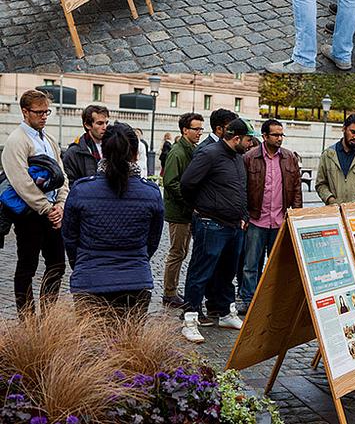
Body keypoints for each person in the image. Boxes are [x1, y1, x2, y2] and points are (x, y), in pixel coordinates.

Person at [61, 123, 163, 317]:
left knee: (92, 344)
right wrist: (137, 258)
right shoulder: (150, 193)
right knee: (129, 345)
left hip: (90, 278)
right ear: (136, 153)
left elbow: (69, 237)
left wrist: (82, 262)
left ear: (103, 151)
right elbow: (152, 241)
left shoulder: (82, 190)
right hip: (135, 279)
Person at [179, 118, 255, 343]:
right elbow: (187, 184)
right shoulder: (209, 154)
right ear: (237, 138)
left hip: (234, 225)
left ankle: (224, 312)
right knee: (200, 271)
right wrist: (201, 207)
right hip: (210, 223)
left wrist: (243, 215)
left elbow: (240, 189)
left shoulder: (238, 158)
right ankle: (189, 318)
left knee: (227, 272)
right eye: (249, 140)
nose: (251, 144)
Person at [1, 90, 69, 317]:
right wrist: (47, 208)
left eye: (46, 112)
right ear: (25, 111)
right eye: (39, 112)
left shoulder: (48, 139)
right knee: (26, 267)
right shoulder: (17, 140)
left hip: (52, 212)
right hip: (29, 214)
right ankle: (27, 319)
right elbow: (21, 182)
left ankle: (48, 316)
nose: (43, 116)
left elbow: (62, 175)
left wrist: (60, 204)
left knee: (57, 265)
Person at [239, 119, 302, 315]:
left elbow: (297, 188)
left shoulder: (290, 157)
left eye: (281, 135)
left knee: (277, 266)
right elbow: (242, 188)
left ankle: (275, 301)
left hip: (280, 220)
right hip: (257, 219)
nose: (279, 138)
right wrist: (244, 215)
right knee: (250, 265)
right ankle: (248, 300)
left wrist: (296, 215)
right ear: (264, 136)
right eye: (275, 135)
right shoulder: (250, 157)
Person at [161, 112, 203, 308]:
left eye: (201, 129)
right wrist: (190, 202)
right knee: (177, 252)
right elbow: (170, 182)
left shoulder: (190, 149)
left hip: (186, 211)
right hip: (179, 212)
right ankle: (169, 293)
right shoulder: (177, 152)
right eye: (196, 129)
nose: (199, 132)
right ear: (185, 130)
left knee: (182, 251)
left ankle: (172, 291)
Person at [62, 105, 110, 186]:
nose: (105, 127)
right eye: (100, 123)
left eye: (106, 123)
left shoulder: (113, 147)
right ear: (87, 125)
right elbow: (70, 184)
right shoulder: (74, 152)